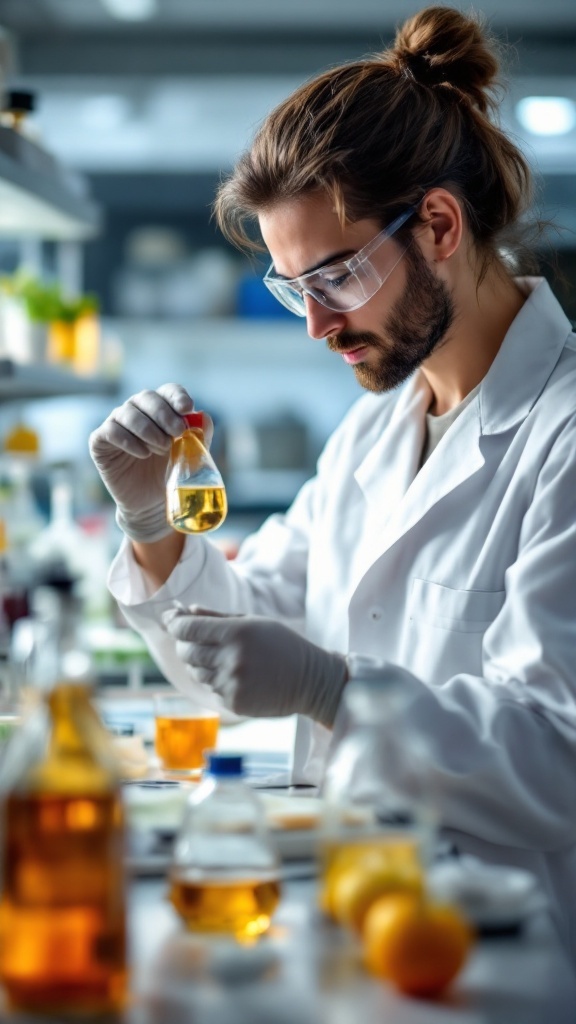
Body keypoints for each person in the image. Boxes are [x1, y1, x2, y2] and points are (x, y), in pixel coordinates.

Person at [90, 6, 576, 959]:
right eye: (291, 288)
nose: (315, 326)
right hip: (359, 920)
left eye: (337, 278)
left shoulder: (563, 435)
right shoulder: (373, 430)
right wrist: (150, 522)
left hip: (508, 954)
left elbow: (555, 756)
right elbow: (236, 651)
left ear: (439, 223)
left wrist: (331, 688)